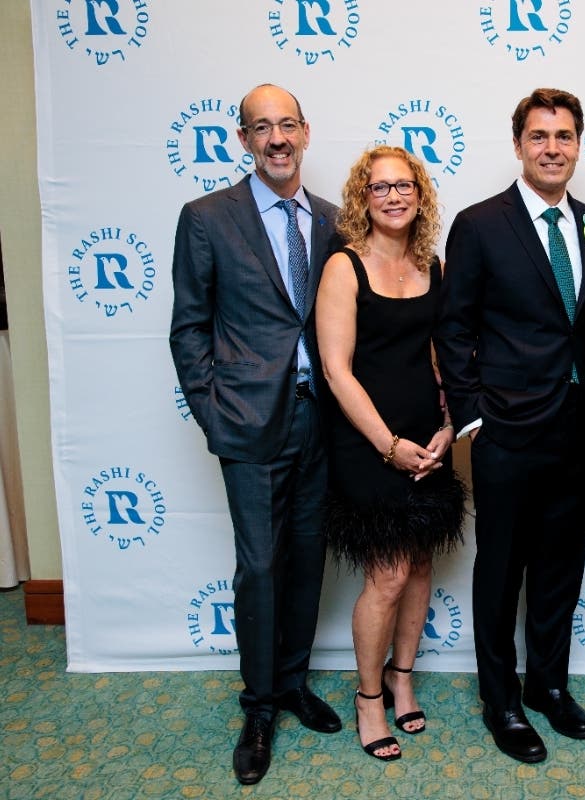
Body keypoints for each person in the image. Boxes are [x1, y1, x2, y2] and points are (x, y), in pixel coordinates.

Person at [434, 88, 585, 763]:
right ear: (518, 145)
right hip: (506, 429)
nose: (551, 148)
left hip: (578, 428)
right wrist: (473, 416)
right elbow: (453, 328)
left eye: (564, 136)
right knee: (501, 568)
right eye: (538, 136)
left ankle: (547, 686)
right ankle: (500, 701)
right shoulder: (481, 223)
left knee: (560, 569)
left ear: (577, 145)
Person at [170, 84, 341, 786]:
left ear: (306, 133)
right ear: (242, 140)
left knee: (307, 558)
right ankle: (259, 703)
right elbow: (189, 327)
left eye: (287, 125)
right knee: (261, 566)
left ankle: (295, 682)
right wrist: (216, 413)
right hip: (249, 422)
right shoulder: (208, 218)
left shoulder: (332, 220)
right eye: (260, 127)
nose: (276, 138)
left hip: (321, 419)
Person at [315, 146, 465, 762]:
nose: (394, 196)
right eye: (380, 188)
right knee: (389, 573)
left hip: (427, 435)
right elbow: (336, 370)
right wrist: (388, 447)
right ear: (363, 198)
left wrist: (449, 426)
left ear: (420, 195)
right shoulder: (344, 267)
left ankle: (404, 677)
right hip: (366, 440)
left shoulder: (433, 263)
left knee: (423, 564)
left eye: (405, 186)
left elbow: (442, 354)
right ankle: (369, 697)